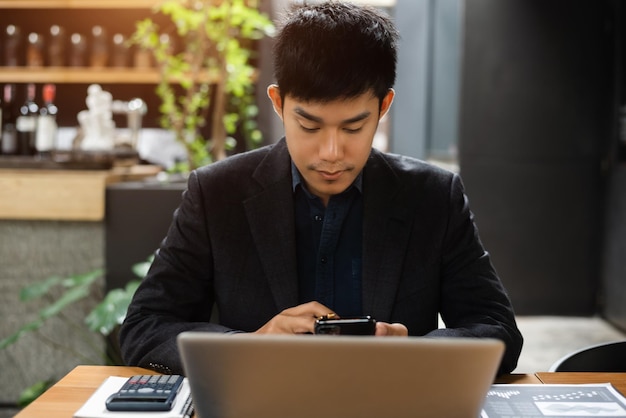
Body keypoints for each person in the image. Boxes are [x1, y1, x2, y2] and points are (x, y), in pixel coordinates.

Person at [120, 1, 523, 376]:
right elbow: (144, 327)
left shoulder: (433, 196)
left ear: (384, 106)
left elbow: (497, 329)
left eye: (353, 127)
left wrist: (416, 352)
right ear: (278, 103)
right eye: (310, 126)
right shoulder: (217, 192)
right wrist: (252, 346)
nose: (331, 153)